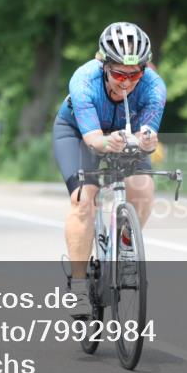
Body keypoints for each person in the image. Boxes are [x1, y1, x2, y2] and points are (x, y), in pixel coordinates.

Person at [52, 22, 165, 318]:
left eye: (135, 75)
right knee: (83, 199)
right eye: (118, 74)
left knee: (143, 187)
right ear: (104, 65)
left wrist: (148, 141)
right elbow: (92, 140)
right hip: (79, 133)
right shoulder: (84, 80)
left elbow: (148, 139)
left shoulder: (154, 86)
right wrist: (106, 141)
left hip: (122, 135)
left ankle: (126, 251)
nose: (126, 83)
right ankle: (78, 283)